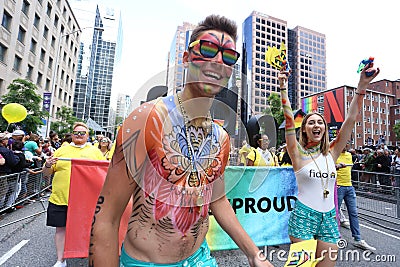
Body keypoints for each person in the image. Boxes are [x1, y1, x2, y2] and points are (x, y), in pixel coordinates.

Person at [89, 15, 272, 267]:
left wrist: (254, 254)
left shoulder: (221, 138)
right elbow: (107, 218)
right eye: (208, 50)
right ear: (186, 59)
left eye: (228, 56)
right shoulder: (146, 120)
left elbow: (217, 199)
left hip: (201, 259)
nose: (218, 61)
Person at [279, 61, 379, 266]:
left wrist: (361, 87)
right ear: (304, 129)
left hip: (329, 219)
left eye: (320, 122)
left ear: (325, 128)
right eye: (311, 122)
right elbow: (289, 120)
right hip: (303, 217)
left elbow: (350, 119)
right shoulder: (297, 153)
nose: (316, 125)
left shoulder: (332, 152)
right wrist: (282, 88)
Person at [42, 122, 104, 267]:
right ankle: (60, 260)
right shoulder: (61, 150)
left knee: (87, 228)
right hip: (60, 197)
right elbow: (46, 173)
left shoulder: (95, 152)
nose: (79, 135)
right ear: (72, 134)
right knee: (60, 229)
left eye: (83, 133)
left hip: (86, 200)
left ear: (88, 136)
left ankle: (85, 254)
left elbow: (103, 174)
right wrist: (47, 165)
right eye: (76, 132)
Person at [335, 146, 376, 251]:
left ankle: (357, 239)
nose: (344, 146)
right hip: (338, 187)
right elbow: (327, 167)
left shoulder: (349, 155)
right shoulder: (333, 154)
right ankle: (336, 237)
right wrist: (336, 166)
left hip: (349, 187)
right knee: (335, 214)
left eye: (346, 145)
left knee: (353, 213)